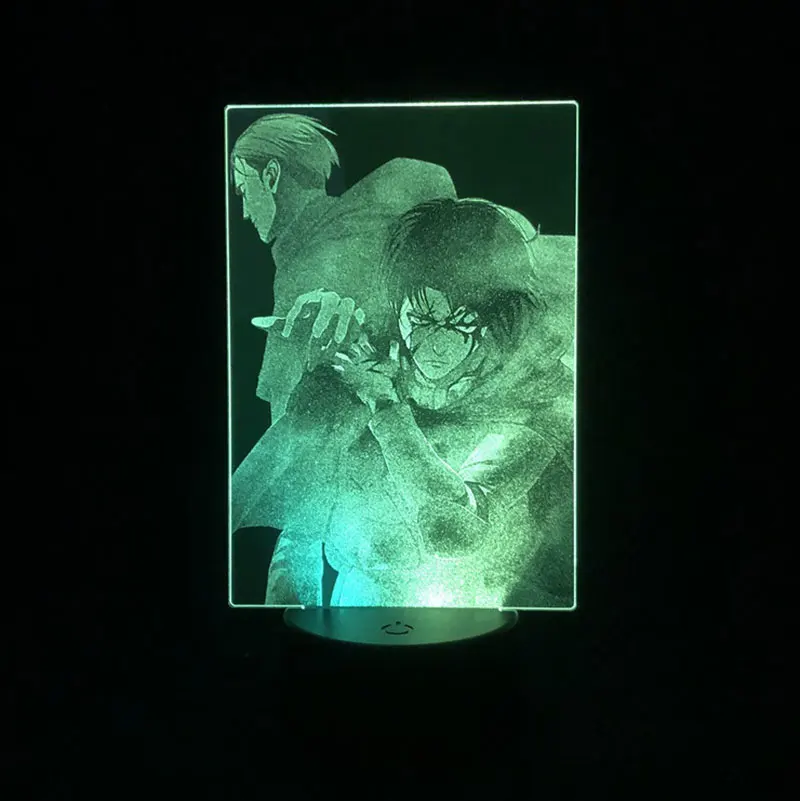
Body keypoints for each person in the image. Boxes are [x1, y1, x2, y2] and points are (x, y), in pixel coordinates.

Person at [237, 197, 575, 607]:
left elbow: (455, 530)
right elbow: (298, 525)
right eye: (421, 319)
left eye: (460, 323)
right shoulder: (372, 358)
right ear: (400, 307)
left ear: (496, 319)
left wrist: (386, 411)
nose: (437, 345)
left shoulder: (538, 396)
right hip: (360, 605)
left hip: (497, 613)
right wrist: (319, 382)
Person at [229, 113, 457, 421]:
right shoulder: (379, 209)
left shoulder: (299, 271)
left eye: (244, 190)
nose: (244, 212)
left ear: (271, 176)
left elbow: (285, 422)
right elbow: (435, 177)